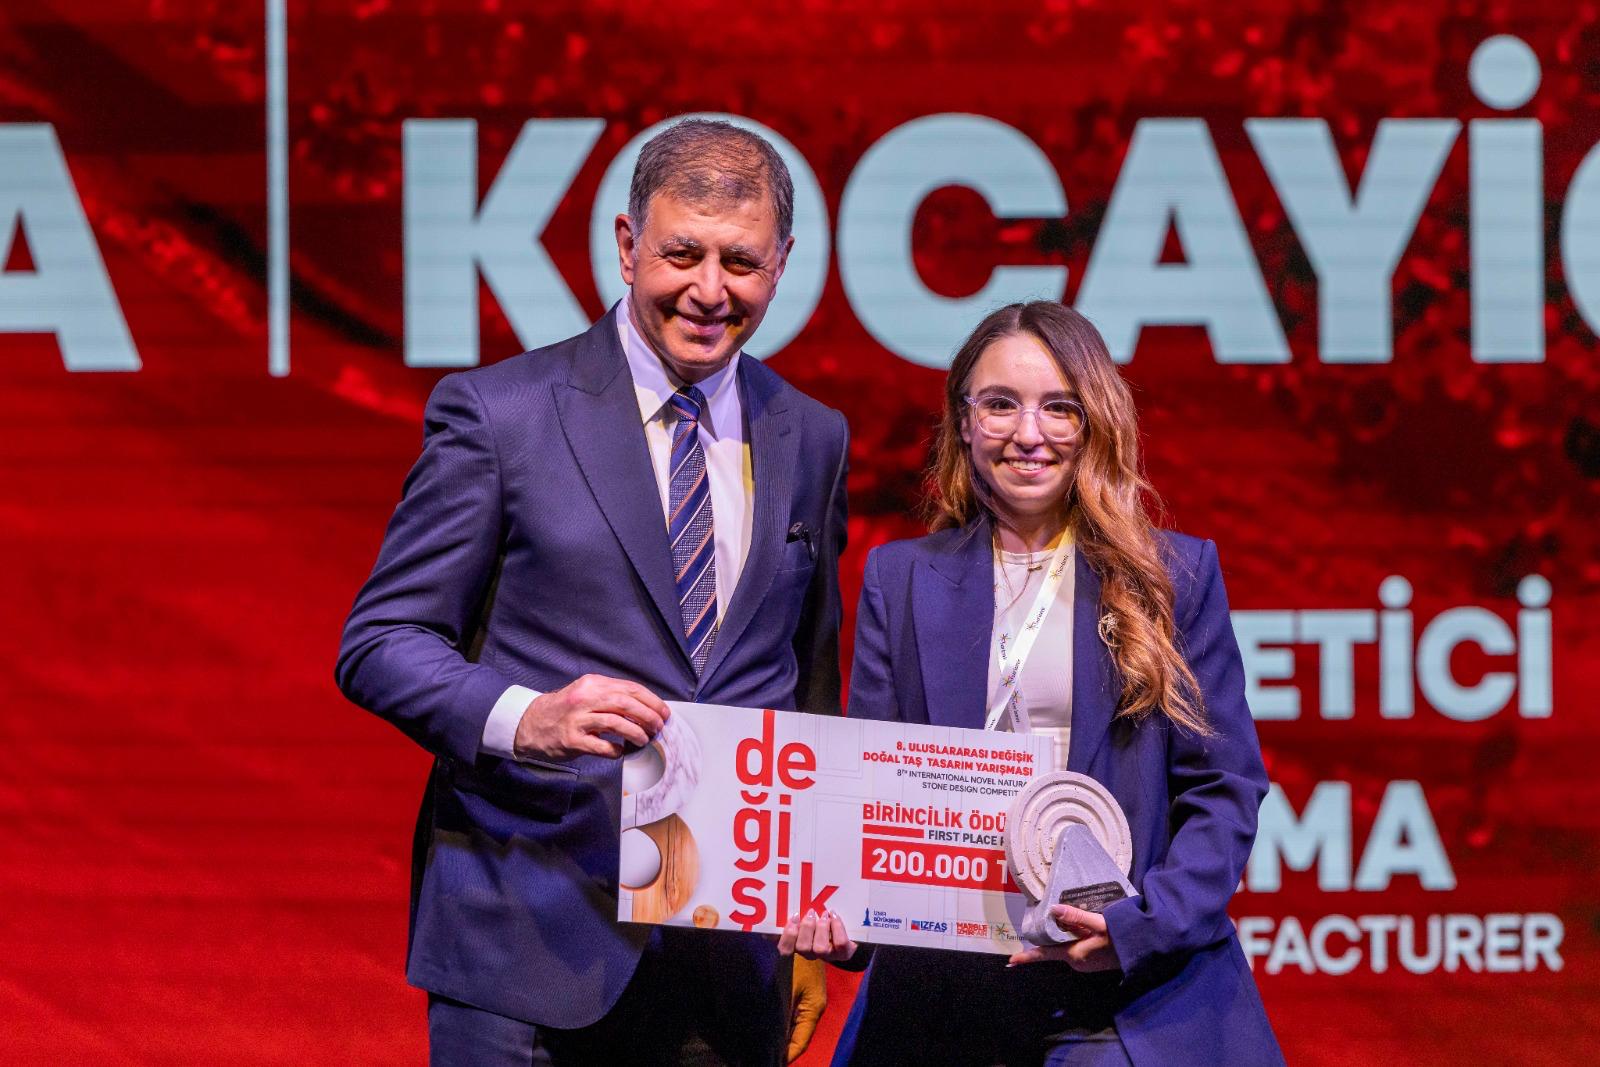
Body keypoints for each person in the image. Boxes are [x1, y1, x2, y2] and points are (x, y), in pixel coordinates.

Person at [336, 118, 849, 1066]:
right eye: (681, 253)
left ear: (782, 263)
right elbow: (381, 642)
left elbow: (808, 689)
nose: (709, 290)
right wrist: (525, 717)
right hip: (526, 945)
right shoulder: (501, 413)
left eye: (741, 262)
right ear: (625, 244)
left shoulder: (810, 434)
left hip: (727, 971)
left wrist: (814, 905)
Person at [780, 301, 1282, 1066]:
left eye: (1059, 407)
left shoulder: (1172, 577)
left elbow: (1224, 789)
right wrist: (846, 916)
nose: (1028, 432)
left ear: (1095, 421)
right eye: (1000, 404)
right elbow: (872, 798)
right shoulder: (901, 578)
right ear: (964, 421)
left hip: (1120, 1000)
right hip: (949, 1000)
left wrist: (1138, 927)